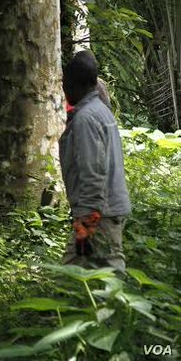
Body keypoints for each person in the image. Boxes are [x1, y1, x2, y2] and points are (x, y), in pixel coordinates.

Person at [60, 50, 131, 272]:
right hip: (104, 211)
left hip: (99, 215)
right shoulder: (101, 111)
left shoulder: (86, 118)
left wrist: (87, 223)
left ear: (74, 85)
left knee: (87, 274)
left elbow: (93, 173)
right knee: (90, 274)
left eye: (66, 85)